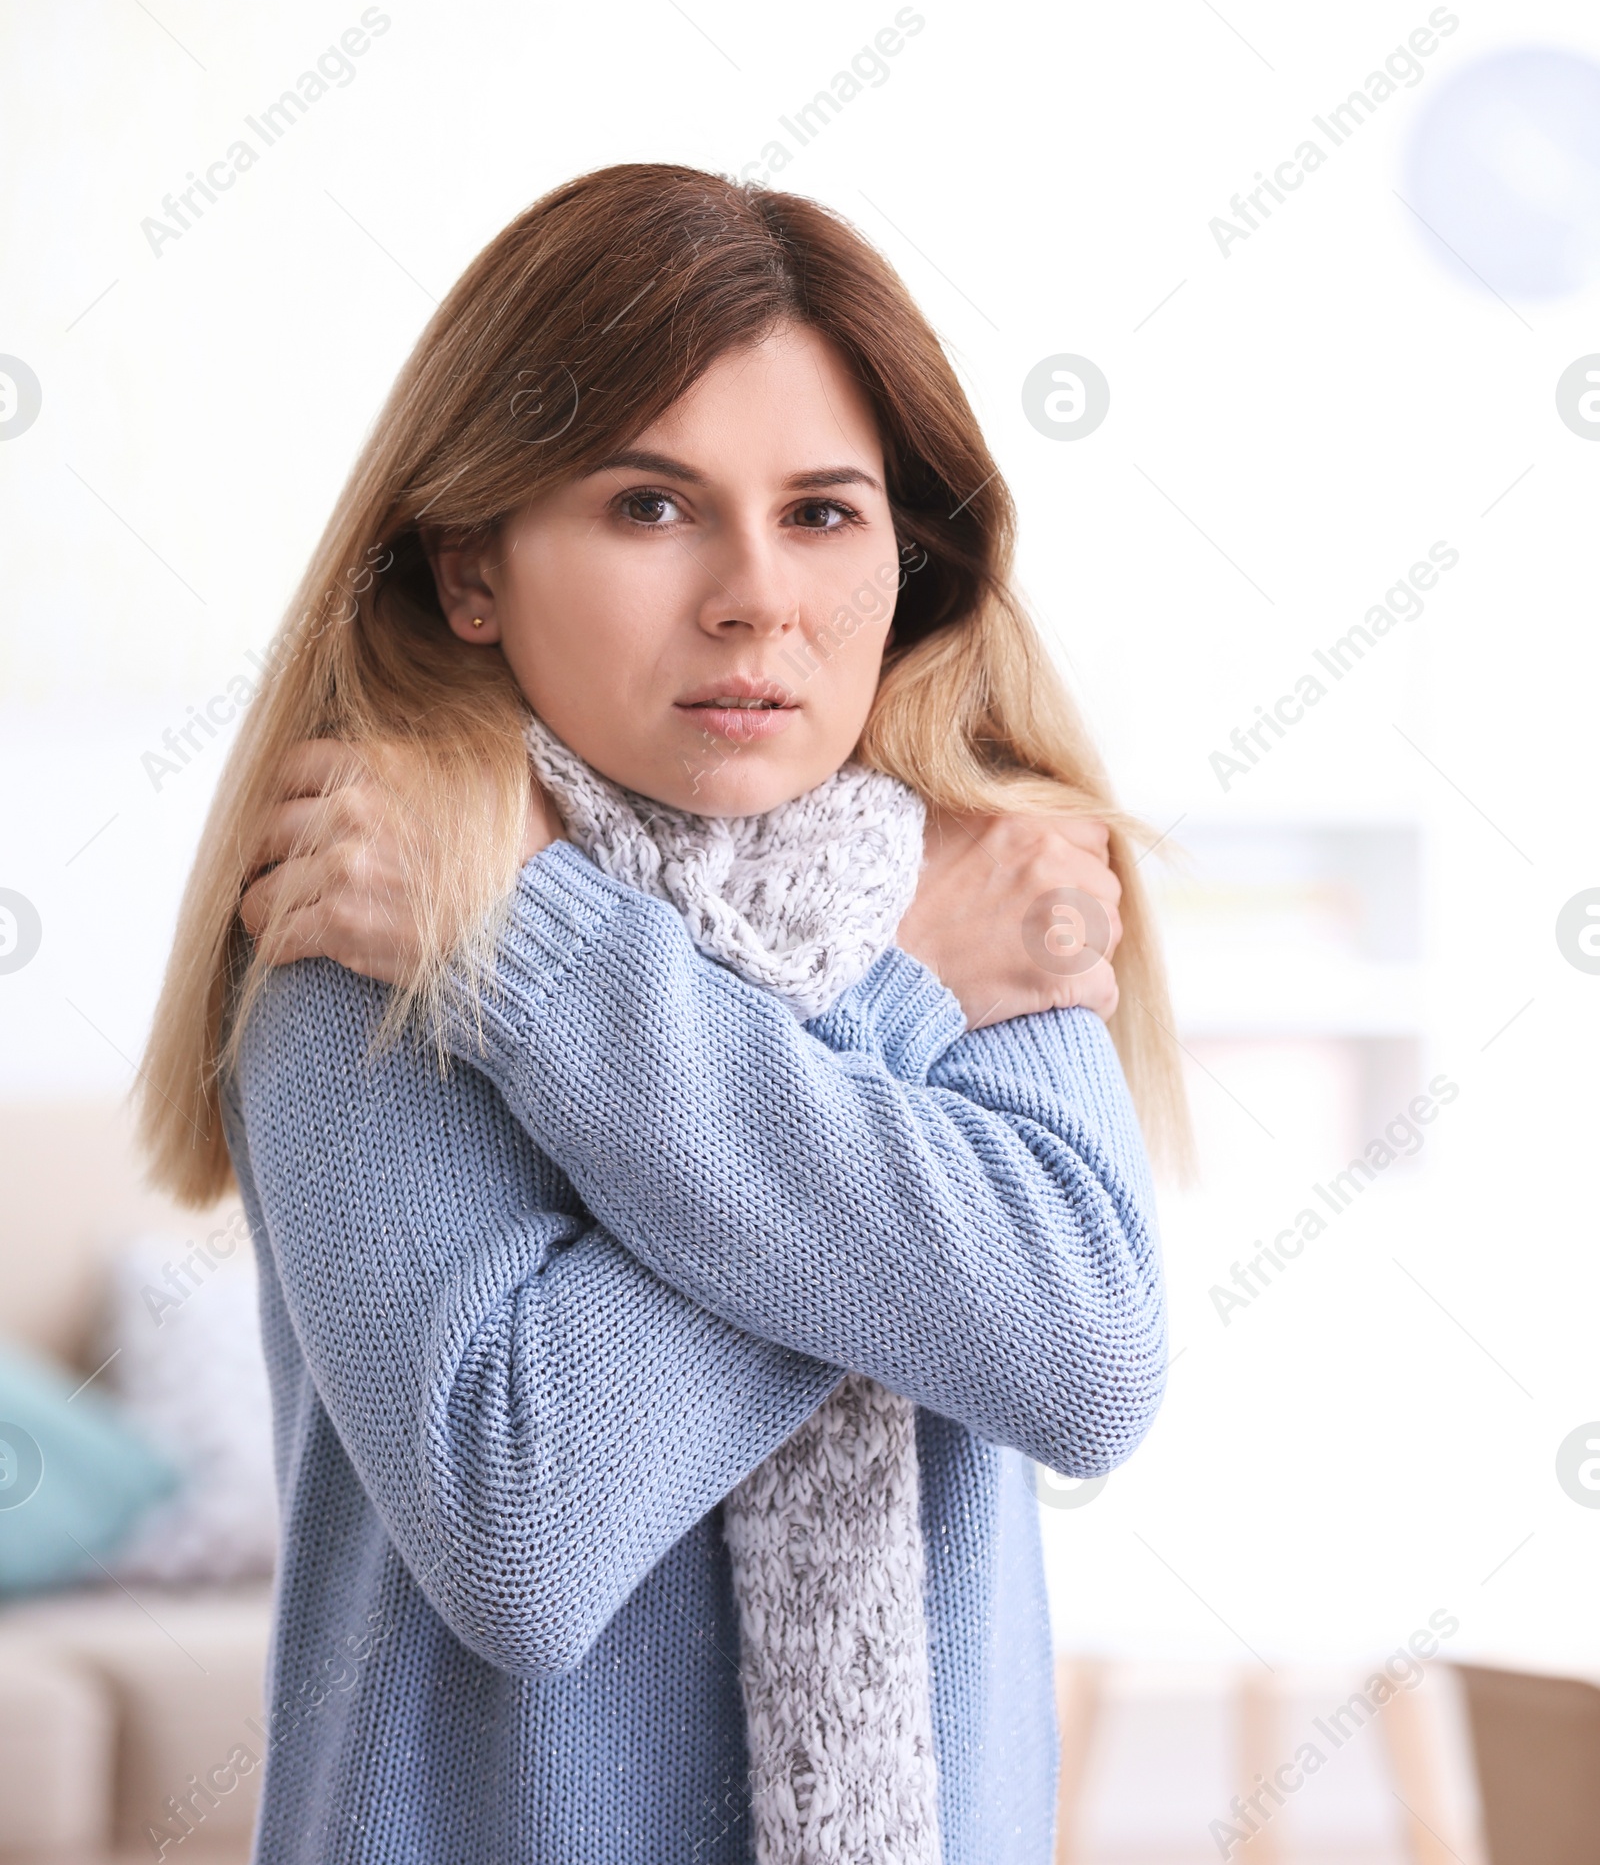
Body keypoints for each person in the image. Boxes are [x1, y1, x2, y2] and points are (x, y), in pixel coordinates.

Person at [137, 163, 1188, 1865]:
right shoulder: (370, 917)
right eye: (650, 506)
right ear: (471, 565)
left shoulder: (983, 872)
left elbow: (1081, 1358)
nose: (756, 598)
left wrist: (574, 978)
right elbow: (526, 1523)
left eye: (825, 513)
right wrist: (877, 1007)